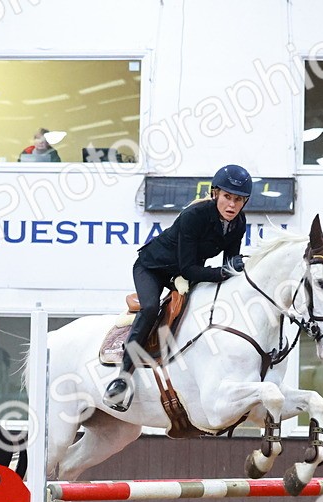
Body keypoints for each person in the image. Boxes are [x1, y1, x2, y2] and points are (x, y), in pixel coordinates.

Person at [103, 164, 251, 412]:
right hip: (152, 268)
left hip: (181, 273)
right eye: (227, 197)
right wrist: (223, 272)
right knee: (150, 308)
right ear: (215, 193)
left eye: (238, 200)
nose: (232, 205)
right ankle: (122, 379)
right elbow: (190, 268)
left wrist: (235, 270)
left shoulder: (238, 223)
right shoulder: (194, 216)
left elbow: (228, 265)